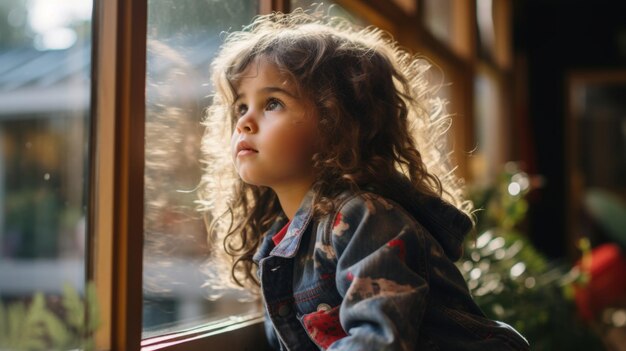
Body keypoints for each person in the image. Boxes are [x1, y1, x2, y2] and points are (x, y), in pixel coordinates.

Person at [200, 7, 530, 351]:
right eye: (240, 107)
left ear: (335, 121)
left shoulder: (365, 218)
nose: (244, 123)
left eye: (272, 103)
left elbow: (378, 342)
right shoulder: (280, 243)